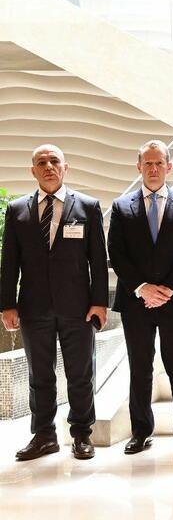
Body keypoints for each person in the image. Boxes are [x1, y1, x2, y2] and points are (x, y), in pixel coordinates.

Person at [1, 144, 107, 461]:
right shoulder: (17, 209)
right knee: (40, 376)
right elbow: (9, 263)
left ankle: (81, 434)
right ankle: (44, 435)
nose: (48, 166)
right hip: (33, 308)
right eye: (41, 162)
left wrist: (100, 302)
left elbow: (98, 261)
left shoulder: (88, 206)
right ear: (33, 170)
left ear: (65, 167)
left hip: (78, 307)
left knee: (80, 373)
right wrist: (7, 303)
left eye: (54, 161)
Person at [108, 140, 173, 455]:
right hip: (136, 302)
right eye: (147, 163)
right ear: (139, 167)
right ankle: (140, 432)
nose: (152, 169)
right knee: (140, 366)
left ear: (168, 166)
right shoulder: (122, 207)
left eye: (158, 163)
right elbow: (117, 254)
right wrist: (142, 288)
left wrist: (167, 289)